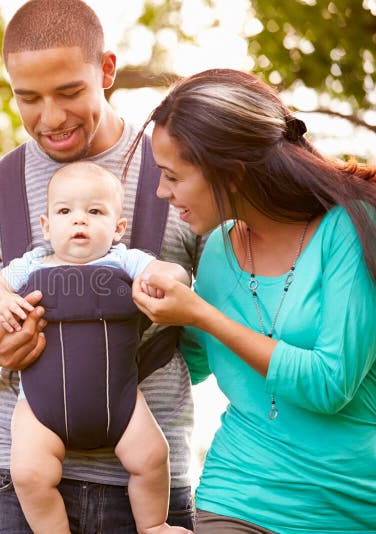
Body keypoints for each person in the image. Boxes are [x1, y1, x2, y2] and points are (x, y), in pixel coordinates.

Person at [0, 1, 202, 531]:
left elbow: (221, 320)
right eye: (27, 98)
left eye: (69, 92)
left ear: (106, 70)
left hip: (150, 478)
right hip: (19, 483)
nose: (50, 117)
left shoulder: (180, 177)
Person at [130, 68, 376, 533]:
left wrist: (201, 313)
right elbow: (197, 364)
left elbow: (331, 383)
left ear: (233, 174)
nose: (163, 192)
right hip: (238, 493)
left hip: (352, 505)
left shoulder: (350, 227)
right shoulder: (220, 248)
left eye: (172, 177)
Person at [0, 161, 191, 534]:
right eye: (65, 211)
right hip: (42, 410)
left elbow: (176, 273)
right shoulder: (30, 265)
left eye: (94, 212)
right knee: (28, 474)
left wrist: (164, 280)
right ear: (46, 226)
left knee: (153, 457)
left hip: (121, 404)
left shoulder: (125, 260)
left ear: (118, 227)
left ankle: (154, 524)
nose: (80, 221)